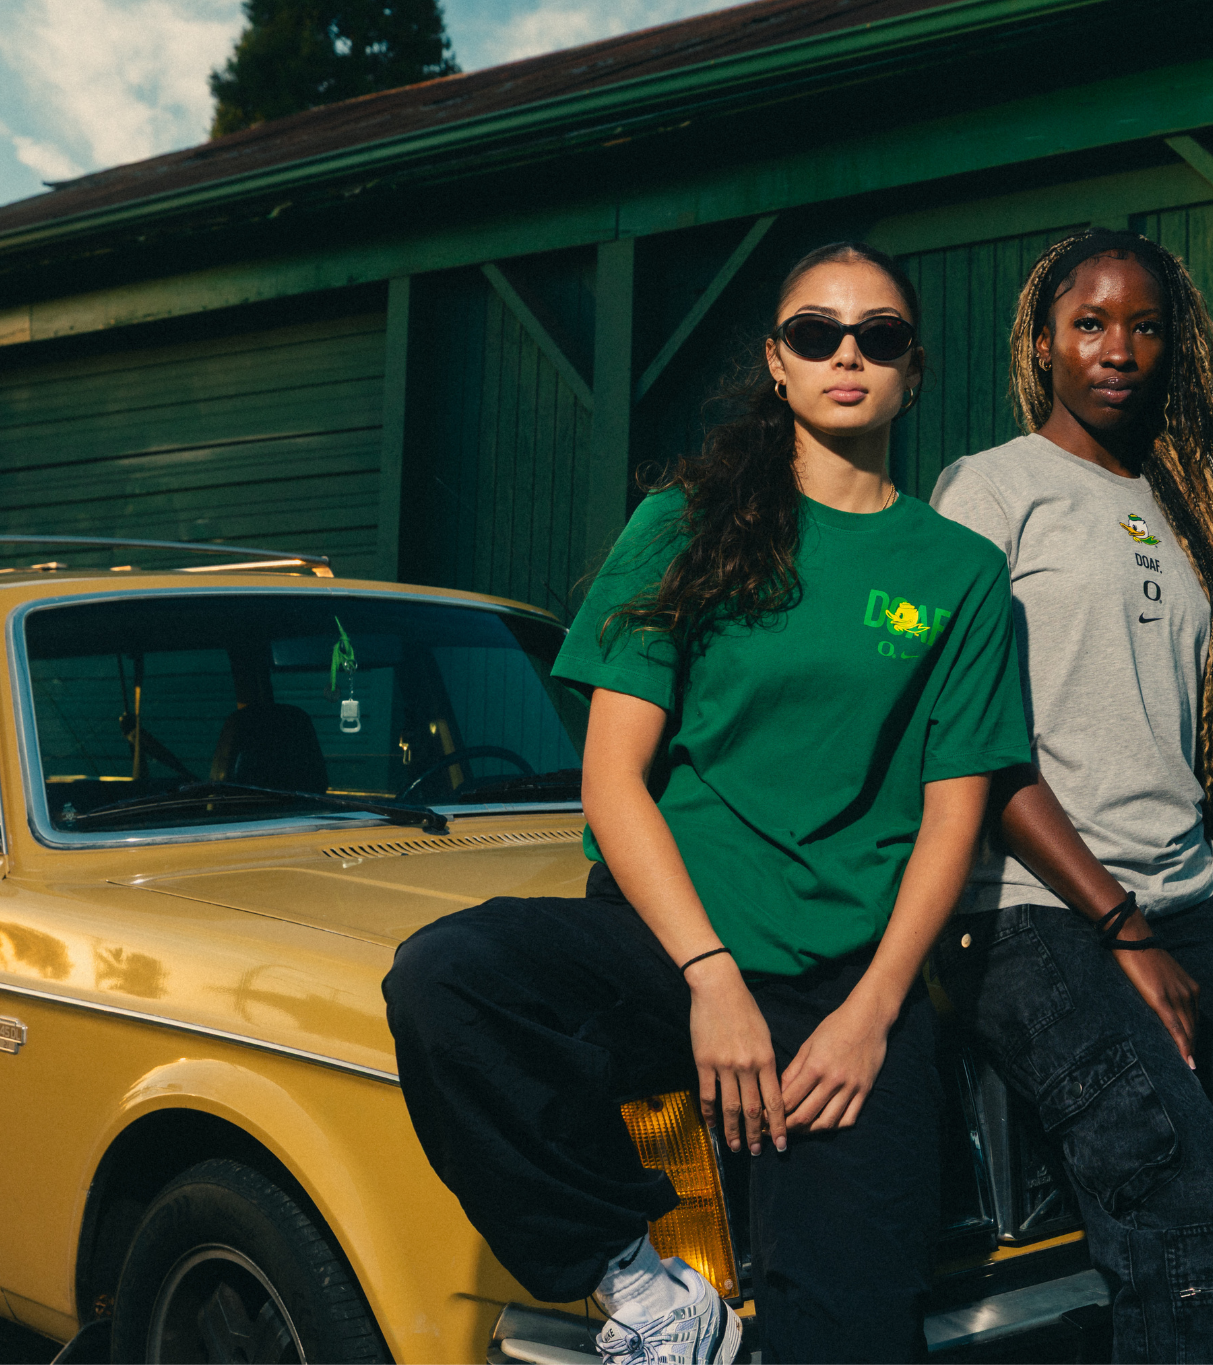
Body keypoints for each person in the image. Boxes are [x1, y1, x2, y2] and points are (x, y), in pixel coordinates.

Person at [383, 242, 1032, 1365]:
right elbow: (611, 778)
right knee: (448, 980)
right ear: (776, 362)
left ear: (913, 369)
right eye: (815, 334)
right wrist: (709, 977)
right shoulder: (685, 524)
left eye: (877, 337)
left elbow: (951, 817)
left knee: (852, 1338)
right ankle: (642, 1288)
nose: (846, 355)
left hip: (838, 991)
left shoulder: (960, 572)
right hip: (670, 946)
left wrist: (873, 1012)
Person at [928, 228, 1213, 1364]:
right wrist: (1122, 928)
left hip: (1191, 900)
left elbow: (1199, 741)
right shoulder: (991, 489)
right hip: (1038, 911)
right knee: (1194, 1231)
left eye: (1144, 326)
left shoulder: (1188, 506)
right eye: (1090, 323)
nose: (1118, 349)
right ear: (1041, 342)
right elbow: (967, 733)